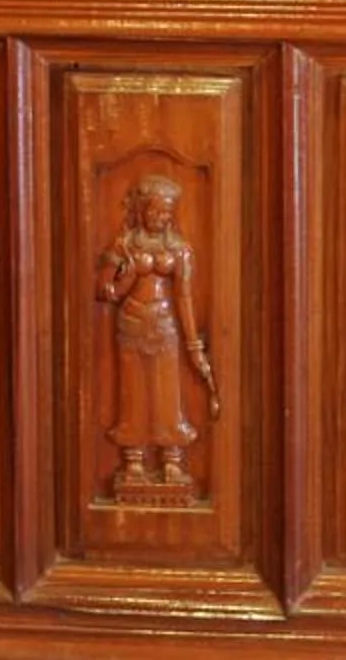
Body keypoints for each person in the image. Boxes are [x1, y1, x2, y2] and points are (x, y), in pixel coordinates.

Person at [96, 175, 217, 493]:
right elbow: (106, 292)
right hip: (132, 325)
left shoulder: (179, 250)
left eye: (167, 214)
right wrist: (129, 276)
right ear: (141, 210)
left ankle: (171, 460)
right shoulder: (124, 244)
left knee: (167, 395)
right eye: (155, 213)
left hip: (166, 329)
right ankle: (134, 459)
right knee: (134, 394)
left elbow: (185, 299)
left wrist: (194, 345)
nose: (161, 219)